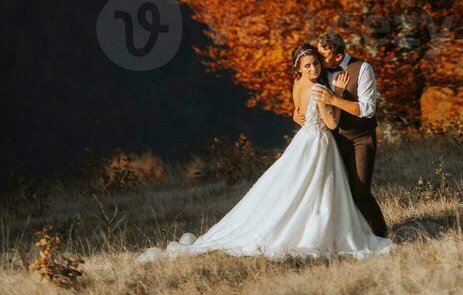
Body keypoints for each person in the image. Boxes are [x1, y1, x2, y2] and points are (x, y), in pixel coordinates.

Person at [135, 43, 392, 263]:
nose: (314, 69)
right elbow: (332, 124)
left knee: (299, 189)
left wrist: (305, 111)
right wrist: (334, 95)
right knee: (317, 189)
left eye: (316, 64)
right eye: (309, 66)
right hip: (320, 143)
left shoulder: (298, 84)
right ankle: (320, 232)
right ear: (299, 69)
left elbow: (299, 114)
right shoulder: (318, 88)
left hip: (304, 140)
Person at [306, 31, 388, 238]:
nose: (318, 61)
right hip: (332, 141)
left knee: (360, 192)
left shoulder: (363, 69)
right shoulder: (320, 71)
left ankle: (381, 236)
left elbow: (368, 109)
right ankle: (350, 237)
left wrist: (334, 99)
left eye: (323, 56)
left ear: (339, 56)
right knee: (335, 193)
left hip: (361, 139)